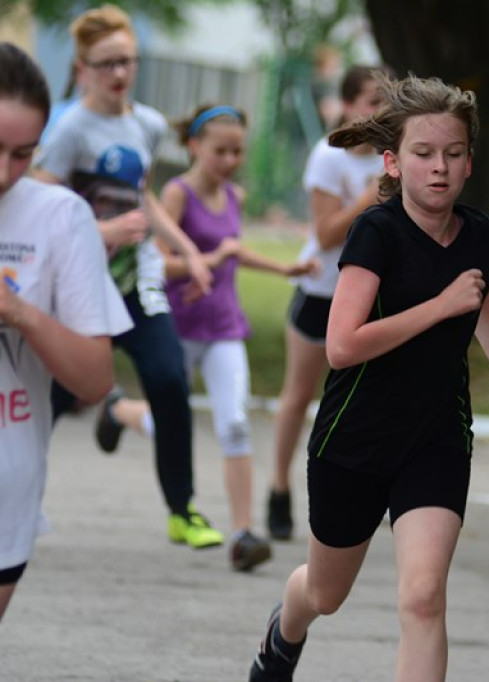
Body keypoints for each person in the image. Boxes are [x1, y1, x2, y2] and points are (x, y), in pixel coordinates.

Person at [248, 73, 489, 682]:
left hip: (435, 435)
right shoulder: (375, 232)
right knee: (326, 594)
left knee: (424, 596)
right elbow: (342, 346)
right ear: (393, 162)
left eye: (453, 155)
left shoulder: (480, 232)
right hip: (355, 438)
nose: (439, 168)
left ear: (469, 164)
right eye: (423, 154)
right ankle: (285, 630)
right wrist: (439, 305)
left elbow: (479, 299)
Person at [93, 104, 318, 571]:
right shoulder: (175, 195)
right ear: (194, 147)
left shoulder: (233, 197)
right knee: (168, 422)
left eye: (238, 151)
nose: (231, 160)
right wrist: (211, 260)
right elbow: (158, 262)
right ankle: (119, 410)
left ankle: (242, 533)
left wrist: (284, 268)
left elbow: (233, 253)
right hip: (177, 325)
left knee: (233, 422)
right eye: (221, 151)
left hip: (223, 329)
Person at [32, 4, 223, 550]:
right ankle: (16, 500)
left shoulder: (147, 124)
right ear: (82, 66)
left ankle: (182, 510)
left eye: (128, 61)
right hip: (78, 288)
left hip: (136, 285)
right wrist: (105, 231)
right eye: (107, 63)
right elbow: (42, 210)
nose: (119, 73)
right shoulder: (70, 129)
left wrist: (188, 247)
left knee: (168, 379)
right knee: (53, 397)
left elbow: (142, 199)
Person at [0, 42, 132, 622]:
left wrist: (20, 312)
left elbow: (94, 379)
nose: (5, 172)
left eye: (23, 154)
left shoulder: (59, 217)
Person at [266, 64, 386, 541]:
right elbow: (326, 234)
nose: (381, 110)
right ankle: (278, 489)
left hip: (371, 296)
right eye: (373, 100)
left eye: (387, 101)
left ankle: (360, 496)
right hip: (321, 292)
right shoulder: (329, 157)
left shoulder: (394, 156)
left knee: (366, 401)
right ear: (350, 104)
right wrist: (369, 198)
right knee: (299, 396)